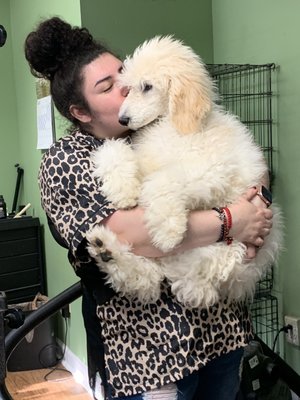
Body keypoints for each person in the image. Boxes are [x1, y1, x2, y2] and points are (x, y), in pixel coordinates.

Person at [24, 17, 273, 400]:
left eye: (125, 73)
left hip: (220, 331)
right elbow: (133, 235)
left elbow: (242, 157)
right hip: (151, 354)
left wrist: (258, 202)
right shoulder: (65, 160)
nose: (126, 89)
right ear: (81, 112)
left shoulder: (157, 119)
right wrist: (232, 221)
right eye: (108, 87)